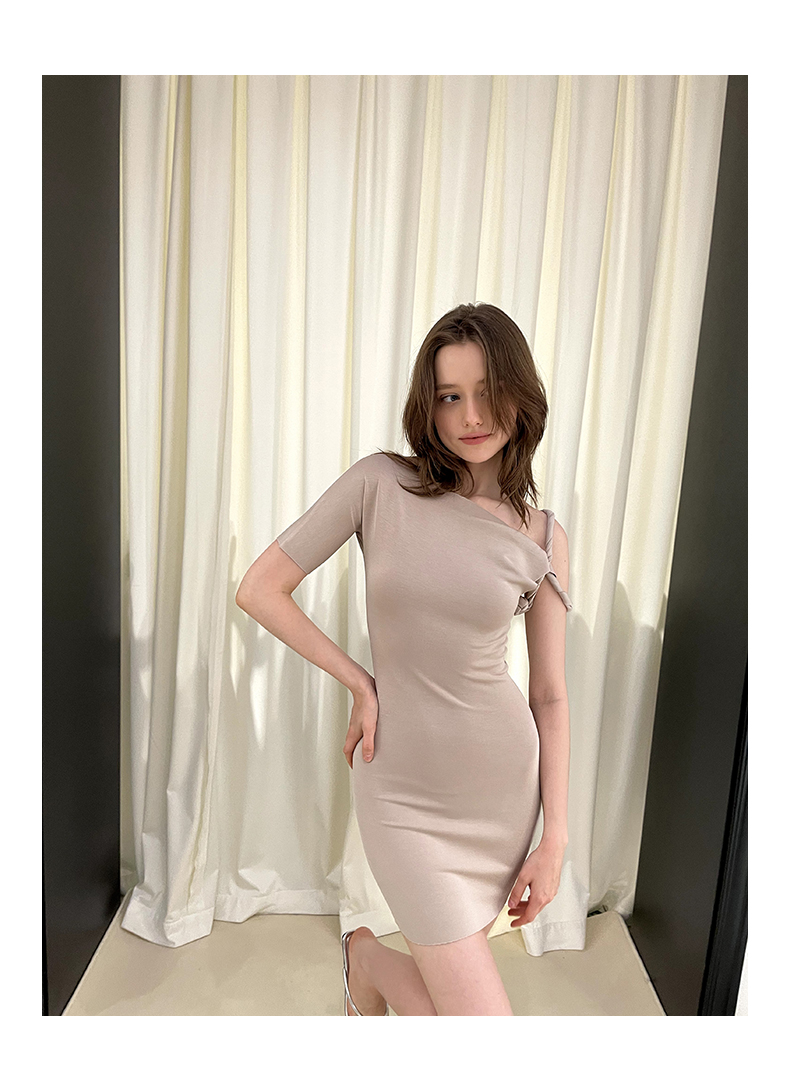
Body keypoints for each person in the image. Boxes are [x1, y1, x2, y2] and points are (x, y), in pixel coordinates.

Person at [235, 302, 572, 1016]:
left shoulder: (543, 537)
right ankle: (367, 959)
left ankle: (368, 963)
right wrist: (360, 681)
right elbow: (260, 589)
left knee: (443, 1008)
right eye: (449, 396)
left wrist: (556, 838)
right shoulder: (379, 484)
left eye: (487, 391)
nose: (470, 416)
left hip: (498, 792)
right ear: (428, 404)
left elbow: (549, 695)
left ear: (520, 395)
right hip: (401, 789)